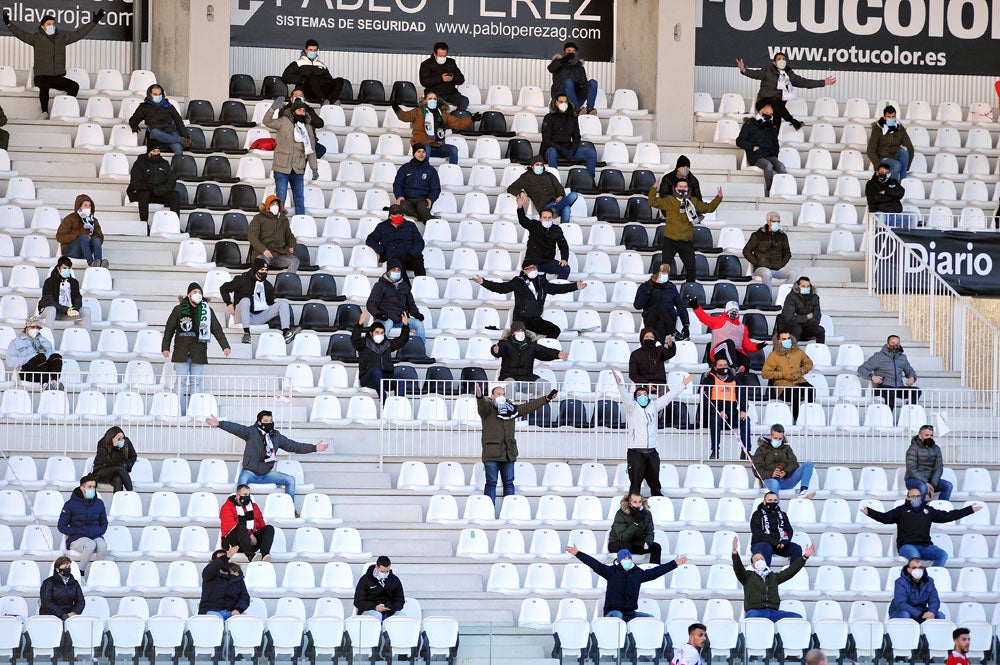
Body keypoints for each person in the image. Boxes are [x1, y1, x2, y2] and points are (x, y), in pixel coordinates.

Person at [205, 411, 328, 503]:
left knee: (290, 480)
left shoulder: (276, 436)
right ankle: (239, 511)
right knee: (241, 486)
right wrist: (219, 423)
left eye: (270, 421)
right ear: (259, 422)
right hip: (250, 472)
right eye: (266, 421)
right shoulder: (251, 432)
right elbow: (236, 428)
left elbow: (293, 446)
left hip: (266, 474)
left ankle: (290, 508)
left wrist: (314, 448)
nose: (269, 423)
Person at [3, 9, 105, 118]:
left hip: (56, 77)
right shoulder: (36, 38)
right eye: (48, 24)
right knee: (44, 86)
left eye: (53, 24)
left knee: (74, 86)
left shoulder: (62, 38)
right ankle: (44, 112)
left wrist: (94, 21)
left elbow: (79, 34)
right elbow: (21, 34)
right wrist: (9, 24)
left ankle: (66, 110)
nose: (51, 26)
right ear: (42, 26)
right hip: (41, 76)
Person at [615, 368, 693, 495]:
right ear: (635, 398)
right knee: (635, 486)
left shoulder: (654, 406)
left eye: (645, 394)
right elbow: (625, 397)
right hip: (636, 452)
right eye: (639, 395)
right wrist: (620, 385)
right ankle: (633, 509)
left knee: (655, 485)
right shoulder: (632, 408)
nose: (642, 397)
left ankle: (658, 505)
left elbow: (668, 396)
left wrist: (683, 385)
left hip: (652, 452)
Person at [476, 382, 556, 503]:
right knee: (491, 483)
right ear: (492, 396)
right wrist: (479, 396)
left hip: (509, 453)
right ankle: (488, 510)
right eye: (498, 394)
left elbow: (529, 406)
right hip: (491, 453)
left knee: (509, 483)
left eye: (503, 393)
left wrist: (546, 399)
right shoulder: (487, 409)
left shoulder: (512, 409)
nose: (501, 395)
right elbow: (481, 405)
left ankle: (510, 508)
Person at [862, 489, 979, 567]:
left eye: (918, 496)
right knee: (915, 558)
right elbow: (885, 518)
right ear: (907, 498)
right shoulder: (901, 511)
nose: (915, 498)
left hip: (926, 546)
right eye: (913, 496)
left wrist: (969, 510)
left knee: (942, 555)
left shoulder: (929, 511)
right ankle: (916, 582)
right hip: (907, 546)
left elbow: (948, 516)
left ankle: (931, 580)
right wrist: (870, 512)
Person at [567, 545, 687, 621]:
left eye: (629, 558)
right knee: (618, 617)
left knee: (650, 620)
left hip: (630, 613)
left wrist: (674, 563)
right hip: (613, 612)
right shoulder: (611, 572)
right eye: (624, 559)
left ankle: (641, 653)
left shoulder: (638, 573)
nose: (627, 560)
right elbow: (595, 564)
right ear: (619, 561)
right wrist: (578, 553)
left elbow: (656, 572)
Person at [162, 283, 230, 414]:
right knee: (180, 384)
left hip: (198, 352)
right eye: (194, 291)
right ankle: (178, 413)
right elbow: (169, 329)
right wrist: (165, 347)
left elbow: (217, 329)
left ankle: (195, 412)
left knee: (196, 384)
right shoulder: (178, 309)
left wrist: (225, 346)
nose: (197, 294)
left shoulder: (207, 311)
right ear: (188, 294)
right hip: (181, 352)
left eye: (199, 291)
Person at [473, 261, 585, 338]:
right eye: (529, 268)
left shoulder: (542, 282)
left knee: (555, 330)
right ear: (524, 270)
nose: (532, 270)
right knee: (523, 337)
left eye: (534, 267)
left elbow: (557, 288)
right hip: (521, 319)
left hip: (535, 319)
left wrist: (575, 286)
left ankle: (544, 351)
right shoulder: (518, 282)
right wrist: (483, 282)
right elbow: (501, 288)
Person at [736, 52, 836, 131]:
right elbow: (755, 74)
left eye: (783, 59)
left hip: (777, 106)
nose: (782, 60)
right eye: (779, 59)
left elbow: (804, 82)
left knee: (777, 117)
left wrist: (823, 82)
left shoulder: (789, 74)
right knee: (775, 100)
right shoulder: (767, 71)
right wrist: (743, 69)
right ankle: (793, 121)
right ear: (774, 62)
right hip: (763, 102)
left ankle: (774, 141)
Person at [649, 181, 723, 283]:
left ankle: (690, 290)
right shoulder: (669, 200)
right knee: (665, 268)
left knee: (691, 268)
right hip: (670, 240)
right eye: (680, 186)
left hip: (686, 242)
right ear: (675, 188)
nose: (682, 188)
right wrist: (654, 188)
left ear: (688, 189)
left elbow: (709, 208)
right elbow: (652, 202)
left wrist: (718, 198)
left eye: (685, 186)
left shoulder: (693, 202)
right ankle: (662, 291)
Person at [732, 535, 814, 622]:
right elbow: (738, 569)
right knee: (752, 617)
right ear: (753, 565)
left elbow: (790, 572)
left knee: (797, 617)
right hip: (756, 612)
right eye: (757, 559)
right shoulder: (748, 576)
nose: (760, 560)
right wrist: (735, 553)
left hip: (774, 612)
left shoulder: (773, 577)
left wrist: (804, 557)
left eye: (762, 559)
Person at [220, 258, 300, 346]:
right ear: (255, 270)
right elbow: (223, 288)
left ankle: (286, 333)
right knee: (246, 300)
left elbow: (270, 303)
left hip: (258, 317)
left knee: (283, 304)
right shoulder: (242, 280)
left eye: (266, 270)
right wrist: (229, 304)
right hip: (242, 316)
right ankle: (246, 333)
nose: (264, 272)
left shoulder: (267, 285)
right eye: (262, 270)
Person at [264, 96, 319, 216]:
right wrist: (272, 109)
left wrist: (314, 167)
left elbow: (311, 149)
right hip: (282, 167)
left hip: (298, 168)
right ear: (293, 112)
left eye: (303, 111)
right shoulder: (284, 121)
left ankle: (301, 224)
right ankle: (277, 224)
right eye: (299, 110)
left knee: (299, 199)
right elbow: (267, 122)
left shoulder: (308, 127)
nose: (302, 113)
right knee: (280, 198)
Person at [392, 92, 476, 165]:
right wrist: (396, 108)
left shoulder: (442, 114)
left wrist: (472, 119)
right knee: (425, 149)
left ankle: (452, 171)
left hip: (437, 146)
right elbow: (405, 117)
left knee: (453, 149)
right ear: (425, 101)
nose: (432, 100)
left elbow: (458, 124)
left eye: (434, 99)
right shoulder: (417, 111)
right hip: (422, 144)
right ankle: (424, 173)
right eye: (430, 99)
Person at [492, 320, 567, 397]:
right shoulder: (505, 343)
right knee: (510, 384)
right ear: (512, 333)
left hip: (528, 378)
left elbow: (544, 352)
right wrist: (495, 351)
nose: (520, 332)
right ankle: (510, 408)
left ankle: (539, 408)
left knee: (545, 384)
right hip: (509, 377)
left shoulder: (531, 344)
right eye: (517, 330)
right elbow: (498, 350)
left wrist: (557, 354)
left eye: (522, 330)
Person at [691, 299, 765, 376]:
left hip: (733, 352)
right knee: (729, 343)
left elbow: (746, 344)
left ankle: (741, 372)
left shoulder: (742, 327)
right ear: (727, 310)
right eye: (732, 309)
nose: (734, 311)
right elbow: (704, 318)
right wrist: (696, 307)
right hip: (719, 351)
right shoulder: (718, 320)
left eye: (736, 310)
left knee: (745, 357)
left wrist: (757, 346)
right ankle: (734, 367)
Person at [700, 355, 751, 460]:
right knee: (714, 420)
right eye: (720, 365)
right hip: (716, 414)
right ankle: (715, 450)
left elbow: (742, 395)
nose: (723, 367)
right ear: (715, 367)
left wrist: (743, 410)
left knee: (746, 420)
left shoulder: (734, 380)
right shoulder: (708, 380)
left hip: (732, 414)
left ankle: (746, 452)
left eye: (725, 365)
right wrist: (718, 411)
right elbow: (705, 401)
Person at [366, 258, 426, 346]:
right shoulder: (380, 285)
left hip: (400, 319)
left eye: (398, 270)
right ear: (389, 271)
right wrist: (378, 314)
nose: (396, 271)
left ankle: (420, 350)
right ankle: (380, 350)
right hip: (385, 318)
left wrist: (416, 314)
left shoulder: (404, 286)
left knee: (418, 324)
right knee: (388, 323)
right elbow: (371, 304)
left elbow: (410, 303)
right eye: (394, 269)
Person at [352, 311, 411, 401]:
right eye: (377, 332)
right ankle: (383, 399)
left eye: (382, 332)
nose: (379, 334)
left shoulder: (387, 344)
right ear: (371, 333)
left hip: (386, 377)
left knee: (400, 380)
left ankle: (399, 405)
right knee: (376, 371)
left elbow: (402, 340)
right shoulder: (364, 343)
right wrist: (359, 324)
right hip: (368, 378)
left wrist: (405, 325)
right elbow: (355, 340)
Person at [506, 156, 579, 225]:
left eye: (541, 165)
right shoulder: (526, 177)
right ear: (532, 166)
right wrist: (521, 193)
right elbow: (511, 188)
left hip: (556, 202)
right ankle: (552, 211)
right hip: (544, 206)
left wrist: (561, 196)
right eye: (537, 164)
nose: (539, 166)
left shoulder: (549, 175)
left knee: (574, 195)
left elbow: (559, 187)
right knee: (566, 208)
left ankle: (561, 225)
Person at [57, 475, 108, 575]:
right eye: (90, 487)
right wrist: (77, 531)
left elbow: (104, 523)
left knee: (103, 545)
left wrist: (96, 531)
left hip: (94, 535)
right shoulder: (70, 504)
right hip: (77, 538)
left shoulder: (99, 503)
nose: (92, 489)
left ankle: (97, 574)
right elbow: (61, 526)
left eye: (94, 487)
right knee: (90, 544)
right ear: (82, 488)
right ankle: (81, 572)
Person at [736, 100, 787, 196]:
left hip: (770, 155)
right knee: (768, 166)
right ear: (760, 112)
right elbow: (739, 141)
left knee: (781, 167)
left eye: (771, 113)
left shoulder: (772, 127)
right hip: (756, 156)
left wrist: (775, 154)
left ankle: (781, 189)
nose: (769, 115)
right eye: (767, 113)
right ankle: (770, 191)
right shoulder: (749, 124)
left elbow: (776, 144)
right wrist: (752, 147)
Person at [515, 193, 570, 279]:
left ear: (552, 218)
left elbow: (563, 246)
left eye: (549, 217)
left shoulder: (556, 229)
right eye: (545, 217)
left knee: (565, 269)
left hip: (548, 262)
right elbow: (523, 220)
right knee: (529, 275)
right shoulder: (534, 225)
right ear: (540, 218)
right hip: (532, 261)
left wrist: (564, 259)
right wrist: (520, 207)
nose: (547, 219)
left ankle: (557, 289)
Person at [858, 335, 920, 411]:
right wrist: (872, 377)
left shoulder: (902, 357)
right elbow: (861, 369)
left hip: (899, 388)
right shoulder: (878, 356)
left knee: (916, 391)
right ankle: (888, 417)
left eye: (897, 343)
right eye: (893, 343)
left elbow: (910, 371)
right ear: (887, 344)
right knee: (890, 391)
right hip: (882, 388)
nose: (895, 345)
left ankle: (908, 413)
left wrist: (912, 378)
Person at [761, 331, 815, 420]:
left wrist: (801, 371)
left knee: (810, 390)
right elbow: (765, 373)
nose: (787, 340)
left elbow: (809, 363)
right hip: (783, 385)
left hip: (799, 380)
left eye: (788, 338)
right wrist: (782, 374)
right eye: (784, 339)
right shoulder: (774, 355)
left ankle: (808, 417)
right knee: (795, 393)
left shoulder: (798, 351)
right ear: (779, 341)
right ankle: (796, 419)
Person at [365, 203, 426, 281]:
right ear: (390, 216)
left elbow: (419, 242)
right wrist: (381, 251)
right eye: (395, 216)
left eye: (399, 216)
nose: (397, 218)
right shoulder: (382, 227)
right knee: (398, 274)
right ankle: (405, 291)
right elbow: (370, 239)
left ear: (402, 216)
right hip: (394, 256)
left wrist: (412, 253)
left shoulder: (410, 225)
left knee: (419, 262)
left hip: (410, 255)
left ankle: (422, 286)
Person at [540, 94, 597, 177]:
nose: (564, 104)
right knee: (552, 152)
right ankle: (554, 180)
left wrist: (571, 151)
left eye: (565, 101)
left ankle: (590, 181)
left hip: (568, 149)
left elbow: (577, 137)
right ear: (555, 103)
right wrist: (562, 150)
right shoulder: (548, 117)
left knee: (590, 153)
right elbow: (546, 140)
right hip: (553, 149)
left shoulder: (573, 117)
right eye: (561, 102)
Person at [128, 84, 191, 156]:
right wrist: (134, 126)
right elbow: (133, 120)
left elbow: (178, 121)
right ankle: (180, 140)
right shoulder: (144, 107)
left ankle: (178, 166)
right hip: (155, 136)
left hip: (170, 132)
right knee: (155, 132)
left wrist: (186, 136)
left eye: (159, 94)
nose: (158, 96)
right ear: (150, 94)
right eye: (155, 94)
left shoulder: (168, 106)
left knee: (178, 148)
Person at [752, 425, 815, 496]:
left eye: (780, 439)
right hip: (769, 480)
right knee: (774, 483)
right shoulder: (761, 449)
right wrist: (771, 474)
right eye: (775, 438)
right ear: (770, 436)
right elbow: (756, 468)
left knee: (809, 464)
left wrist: (785, 472)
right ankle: (775, 506)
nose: (778, 440)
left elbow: (794, 464)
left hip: (786, 480)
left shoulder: (787, 448)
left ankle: (803, 492)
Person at [634, 263, 690, 343]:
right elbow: (637, 306)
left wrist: (686, 325)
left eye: (666, 272)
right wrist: (647, 292)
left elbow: (680, 306)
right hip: (650, 321)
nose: (665, 275)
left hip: (669, 321)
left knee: (660, 324)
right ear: (656, 274)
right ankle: (674, 332)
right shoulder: (645, 287)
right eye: (663, 272)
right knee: (658, 307)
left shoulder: (671, 288)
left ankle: (659, 350)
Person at [126, 143, 181, 225]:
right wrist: (151, 188)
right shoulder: (139, 163)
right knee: (144, 194)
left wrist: (157, 190)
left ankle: (175, 223)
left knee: (175, 195)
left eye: (158, 151)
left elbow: (171, 183)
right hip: (141, 193)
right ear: (149, 152)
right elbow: (136, 182)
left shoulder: (164, 163)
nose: (156, 153)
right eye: (154, 151)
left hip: (158, 193)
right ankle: (144, 223)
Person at [220, 485, 275, 562]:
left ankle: (264, 555)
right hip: (231, 542)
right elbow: (230, 526)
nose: (247, 497)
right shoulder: (227, 507)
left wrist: (261, 535)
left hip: (248, 542)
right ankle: (251, 556)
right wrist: (250, 534)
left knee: (269, 528)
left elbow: (261, 523)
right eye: (245, 494)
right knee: (241, 526)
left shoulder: (254, 506)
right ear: (238, 495)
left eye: (249, 495)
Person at [281, 39, 345, 104]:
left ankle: (332, 100)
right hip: (306, 91)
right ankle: (322, 101)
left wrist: (321, 80)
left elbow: (329, 80)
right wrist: (303, 80)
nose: (312, 52)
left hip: (320, 90)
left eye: (315, 50)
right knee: (312, 77)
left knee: (340, 80)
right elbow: (286, 77)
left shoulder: (321, 65)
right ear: (306, 50)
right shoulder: (298, 63)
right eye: (310, 50)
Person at [6, 314, 62, 388]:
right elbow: (10, 361)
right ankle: (45, 384)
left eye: (37, 328)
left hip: (44, 370)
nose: (35, 329)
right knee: (40, 357)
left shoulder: (45, 341)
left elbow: (50, 357)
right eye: (32, 327)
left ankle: (54, 382)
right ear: (26, 328)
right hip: (27, 373)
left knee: (56, 356)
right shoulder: (15, 343)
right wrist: (30, 358)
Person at [248, 194, 300, 274]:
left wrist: (292, 245)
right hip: (263, 254)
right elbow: (252, 236)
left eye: (277, 204)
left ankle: (288, 282)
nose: (275, 206)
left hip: (279, 255)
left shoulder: (284, 219)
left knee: (295, 261)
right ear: (267, 206)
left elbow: (289, 236)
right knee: (261, 263)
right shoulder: (258, 218)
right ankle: (262, 284)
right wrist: (264, 250)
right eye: (272, 204)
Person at [742, 212, 795, 288]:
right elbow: (746, 251)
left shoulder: (782, 236)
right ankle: (767, 297)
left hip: (777, 269)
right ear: (768, 221)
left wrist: (781, 264)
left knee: (793, 273)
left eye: (778, 221)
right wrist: (757, 263)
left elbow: (787, 253)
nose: (776, 223)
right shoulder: (757, 235)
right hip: (761, 268)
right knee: (767, 273)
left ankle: (785, 295)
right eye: (774, 221)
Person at [38, 256, 91, 332]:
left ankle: (86, 337)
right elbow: (49, 301)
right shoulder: (49, 282)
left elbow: (78, 299)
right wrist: (67, 309)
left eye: (69, 268)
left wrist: (74, 309)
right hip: (52, 312)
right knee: (52, 309)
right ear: (58, 269)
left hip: (66, 314)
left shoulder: (74, 282)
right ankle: (47, 339)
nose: (67, 270)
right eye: (64, 268)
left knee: (86, 310)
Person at [750, 492, 803, 565]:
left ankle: (793, 573)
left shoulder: (782, 514)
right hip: (760, 544)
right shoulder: (757, 514)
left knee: (796, 548)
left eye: (775, 500)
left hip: (779, 545)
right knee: (766, 548)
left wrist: (785, 542)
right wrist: (775, 543)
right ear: (764, 502)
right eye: (770, 500)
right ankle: (765, 574)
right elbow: (757, 533)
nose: (772, 502)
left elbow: (789, 530)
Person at [198, 546, 250, 621]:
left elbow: (244, 597)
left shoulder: (237, 576)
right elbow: (211, 568)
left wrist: (238, 609)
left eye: (226, 558)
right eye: (220, 559)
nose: (224, 560)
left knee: (244, 620)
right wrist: (227, 556)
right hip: (211, 610)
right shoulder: (209, 573)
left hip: (231, 612)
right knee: (216, 620)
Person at [609, 492, 662, 564]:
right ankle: (627, 572)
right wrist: (635, 523)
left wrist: (647, 542)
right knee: (626, 547)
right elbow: (623, 537)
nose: (638, 505)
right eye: (635, 502)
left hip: (636, 543)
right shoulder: (620, 514)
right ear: (629, 503)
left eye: (640, 502)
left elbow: (650, 532)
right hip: (617, 542)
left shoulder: (647, 514)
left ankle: (654, 572)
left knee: (656, 547)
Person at [547, 42, 599, 115]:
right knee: (568, 82)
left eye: (573, 51)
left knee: (593, 82)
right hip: (561, 97)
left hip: (575, 96)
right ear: (564, 52)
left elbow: (584, 84)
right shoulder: (559, 62)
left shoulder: (579, 67)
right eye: (568, 51)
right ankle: (576, 109)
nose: (571, 53)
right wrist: (563, 60)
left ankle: (590, 109)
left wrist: (579, 84)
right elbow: (550, 69)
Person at [866, 105, 916, 181]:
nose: (891, 119)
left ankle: (903, 180)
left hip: (895, 155)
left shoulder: (900, 128)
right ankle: (892, 185)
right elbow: (870, 150)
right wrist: (878, 167)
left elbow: (910, 148)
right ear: (884, 117)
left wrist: (906, 167)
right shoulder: (878, 129)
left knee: (904, 150)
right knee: (897, 165)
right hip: (883, 157)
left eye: (893, 117)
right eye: (889, 117)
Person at [393, 143, 440, 223]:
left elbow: (436, 188)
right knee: (402, 204)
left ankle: (426, 218)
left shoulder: (431, 170)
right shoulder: (405, 168)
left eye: (423, 152)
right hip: (407, 199)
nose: (421, 154)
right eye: (418, 151)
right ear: (414, 153)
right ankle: (425, 218)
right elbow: (397, 184)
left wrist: (431, 198)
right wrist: (399, 196)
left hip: (423, 200)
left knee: (422, 207)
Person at [56, 194, 106, 268]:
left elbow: (100, 238)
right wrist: (77, 236)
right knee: (83, 238)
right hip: (71, 250)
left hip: (86, 251)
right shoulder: (70, 218)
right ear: (79, 206)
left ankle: (99, 262)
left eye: (89, 205)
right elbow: (59, 237)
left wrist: (91, 238)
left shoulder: (93, 220)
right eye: (85, 205)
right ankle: (91, 262)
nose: (88, 207)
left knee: (96, 239)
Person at [905, 425, 952, 502]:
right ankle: (919, 511)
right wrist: (926, 483)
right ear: (920, 436)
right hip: (913, 480)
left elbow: (938, 468)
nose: (929, 437)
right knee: (923, 487)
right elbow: (911, 469)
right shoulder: (913, 448)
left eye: (931, 435)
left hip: (930, 481)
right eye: (927, 435)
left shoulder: (936, 449)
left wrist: (932, 484)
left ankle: (941, 510)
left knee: (948, 486)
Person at [888, 558, 943, 622]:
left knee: (940, 616)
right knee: (905, 615)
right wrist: (919, 614)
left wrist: (931, 612)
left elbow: (934, 600)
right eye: (914, 568)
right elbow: (901, 604)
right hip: (901, 611)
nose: (918, 570)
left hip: (921, 611)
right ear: (908, 570)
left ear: (923, 569)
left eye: (920, 567)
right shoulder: (900, 582)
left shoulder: (929, 581)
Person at [419, 42, 468, 111]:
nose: (442, 58)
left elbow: (461, 80)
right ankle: (439, 120)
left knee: (464, 100)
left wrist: (453, 78)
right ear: (434, 54)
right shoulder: (426, 64)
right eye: (440, 56)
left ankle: (456, 118)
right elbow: (424, 82)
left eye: (444, 56)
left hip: (451, 93)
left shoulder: (451, 62)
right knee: (436, 103)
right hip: (435, 94)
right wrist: (441, 78)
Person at [354, 556, 405, 621]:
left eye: (387, 571)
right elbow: (358, 601)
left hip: (388, 612)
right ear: (377, 567)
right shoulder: (365, 579)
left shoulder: (394, 580)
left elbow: (400, 600)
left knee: (401, 616)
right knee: (377, 615)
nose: (385, 573)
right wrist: (375, 607)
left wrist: (391, 607)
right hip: (369, 611)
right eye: (382, 571)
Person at [775, 276, 825, 343]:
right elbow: (790, 318)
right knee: (797, 329)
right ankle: (791, 351)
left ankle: (820, 352)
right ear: (798, 286)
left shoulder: (815, 297)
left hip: (806, 327)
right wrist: (806, 317)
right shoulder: (791, 297)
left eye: (808, 286)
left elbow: (817, 318)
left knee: (820, 330)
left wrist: (799, 318)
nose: (806, 288)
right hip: (789, 327)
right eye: (803, 286)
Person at [91, 426, 137, 493]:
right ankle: (131, 493)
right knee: (120, 468)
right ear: (112, 438)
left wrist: (127, 465)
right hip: (101, 472)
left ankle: (118, 502)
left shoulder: (126, 442)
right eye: (119, 439)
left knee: (118, 479)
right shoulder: (102, 444)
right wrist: (116, 447)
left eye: (123, 438)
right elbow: (110, 461)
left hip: (117, 471)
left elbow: (133, 455)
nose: (121, 440)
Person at [866, 162, 908, 228]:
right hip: (881, 213)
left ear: (889, 174)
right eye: (882, 173)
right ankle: (880, 237)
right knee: (881, 216)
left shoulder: (893, 182)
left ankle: (908, 238)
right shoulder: (871, 184)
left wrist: (886, 192)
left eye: (886, 173)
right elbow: (875, 198)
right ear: (877, 173)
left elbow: (901, 193)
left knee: (912, 217)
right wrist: (894, 197)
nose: (884, 175)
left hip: (895, 214)